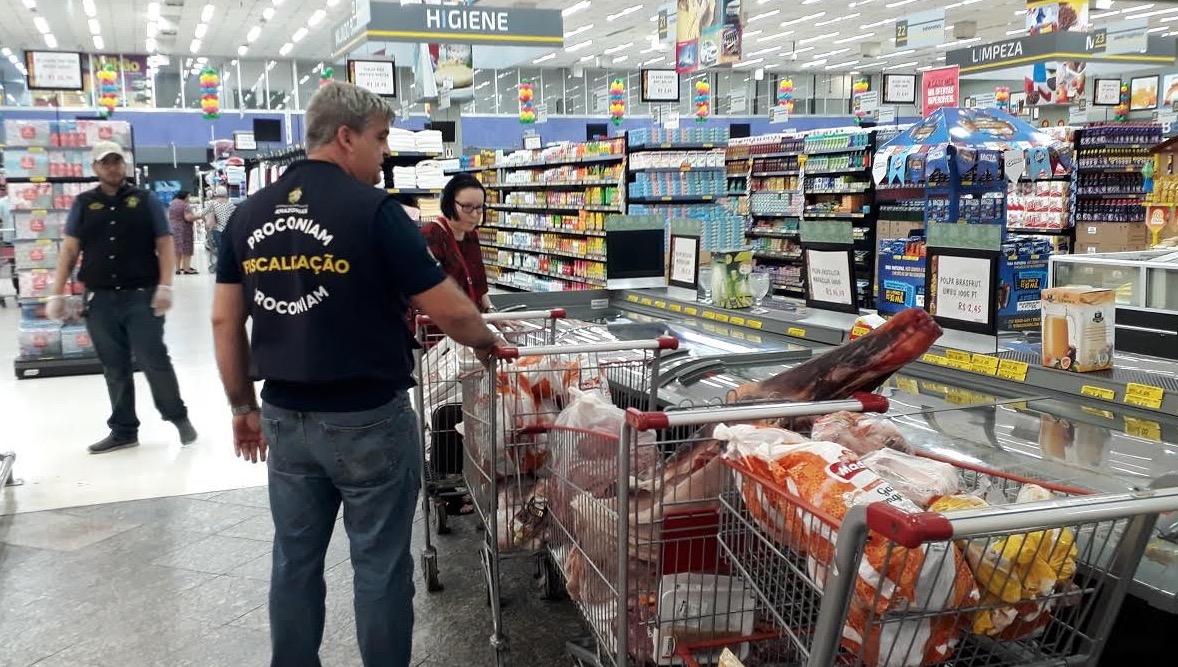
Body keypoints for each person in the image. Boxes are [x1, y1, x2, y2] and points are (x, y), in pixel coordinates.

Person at [211, 81, 502, 667]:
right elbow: (447, 307)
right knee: (379, 564)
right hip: (367, 417)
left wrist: (242, 406)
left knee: (294, 559)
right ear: (345, 137)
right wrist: (487, 342)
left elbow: (224, 319)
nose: (386, 152)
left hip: (285, 415)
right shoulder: (375, 212)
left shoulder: (249, 213)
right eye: (380, 138)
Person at [46, 141, 197, 454]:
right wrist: (56, 291)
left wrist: (166, 285)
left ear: (124, 165)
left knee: (154, 359)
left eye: (117, 161)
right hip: (99, 299)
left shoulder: (145, 200)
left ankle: (178, 417)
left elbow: (164, 242)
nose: (113, 167)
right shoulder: (84, 203)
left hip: (142, 296)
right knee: (114, 367)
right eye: (106, 163)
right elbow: (70, 249)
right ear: (95, 168)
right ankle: (124, 430)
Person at [423, 173, 495, 314]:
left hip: (468, 319)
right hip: (441, 322)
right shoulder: (431, 236)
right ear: (449, 203)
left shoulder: (471, 235)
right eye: (467, 207)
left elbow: (478, 284)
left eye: (479, 207)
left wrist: (491, 312)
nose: (474, 215)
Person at [201, 186, 236, 272]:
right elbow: (236, 214)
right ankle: (228, 267)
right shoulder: (230, 203)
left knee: (220, 249)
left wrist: (206, 220)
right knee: (227, 249)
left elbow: (203, 213)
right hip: (228, 230)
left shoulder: (212, 203)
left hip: (217, 229)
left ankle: (220, 267)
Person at [167, 190, 200, 274]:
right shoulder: (185, 205)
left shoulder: (172, 203)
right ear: (184, 197)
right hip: (184, 230)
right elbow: (188, 218)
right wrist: (199, 216)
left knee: (177, 249)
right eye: (188, 196)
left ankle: (177, 269)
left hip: (173, 228)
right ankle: (186, 268)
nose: (189, 198)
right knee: (187, 249)